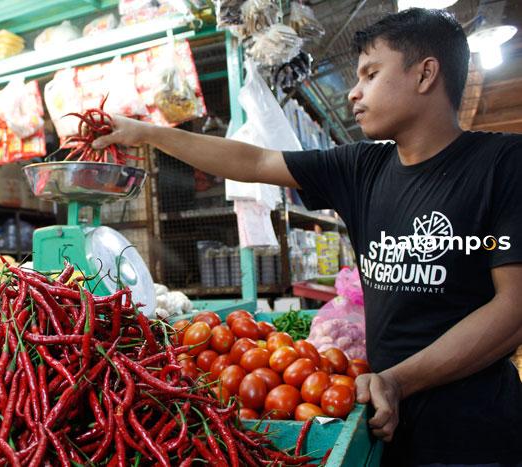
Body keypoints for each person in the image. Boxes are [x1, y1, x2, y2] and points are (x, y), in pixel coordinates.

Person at [93, 7, 522, 466]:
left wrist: (399, 380)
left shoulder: (502, 164)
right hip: (385, 421)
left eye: (371, 74)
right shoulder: (362, 168)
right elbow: (256, 163)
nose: (354, 92)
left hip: (475, 433)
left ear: (426, 74)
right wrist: (147, 133)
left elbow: (513, 307)